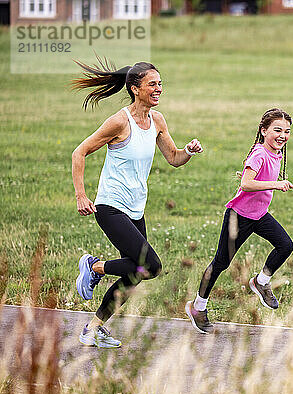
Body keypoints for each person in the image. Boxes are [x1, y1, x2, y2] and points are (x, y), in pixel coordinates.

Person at [71, 58, 203, 348]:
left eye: (160, 84)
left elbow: (174, 159)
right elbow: (79, 153)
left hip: (135, 208)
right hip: (110, 206)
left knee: (135, 272)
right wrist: (82, 194)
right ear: (135, 89)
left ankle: (93, 328)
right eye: (152, 84)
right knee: (152, 266)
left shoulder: (157, 121)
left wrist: (189, 151)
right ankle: (94, 267)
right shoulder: (119, 121)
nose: (158, 89)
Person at [186, 108, 293, 334]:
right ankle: (198, 307)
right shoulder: (260, 154)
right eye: (277, 130)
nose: (282, 135)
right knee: (221, 263)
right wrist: (276, 184)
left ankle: (261, 281)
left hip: (259, 215)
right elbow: (246, 184)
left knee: (286, 245)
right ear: (263, 131)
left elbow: (253, 177)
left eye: (287, 131)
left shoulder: (276, 153)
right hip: (239, 216)